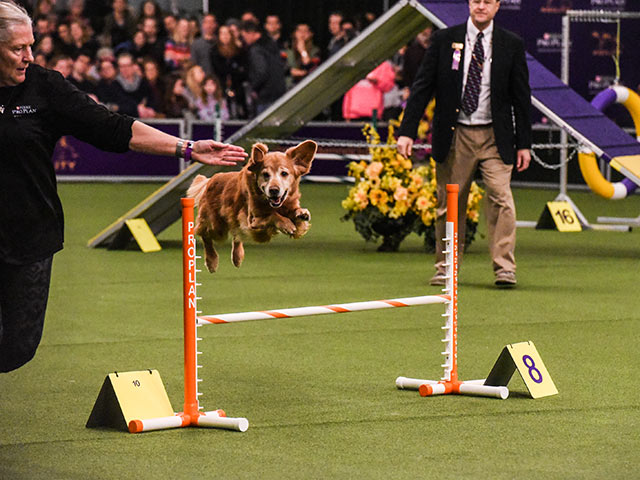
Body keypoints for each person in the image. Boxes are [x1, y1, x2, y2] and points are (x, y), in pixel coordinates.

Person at [0, 1, 247, 373]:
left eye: (31, 45)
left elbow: (112, 126)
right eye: (18, 48)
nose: (28, 56)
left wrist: (187, 147)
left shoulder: (44, 86)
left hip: (29, 234)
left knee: (17, 347)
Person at [396, 0, 531, 288]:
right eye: (476, 1)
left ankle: (504, 268)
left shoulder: (511, 44)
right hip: (456, 135)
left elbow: (521, 97)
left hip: (496, 137)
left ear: (497, 6)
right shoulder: (445, 39)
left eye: (488, 1)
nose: (481, 6)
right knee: (450, 203)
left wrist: (525, 144)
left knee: (501, 198)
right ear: (469, 4)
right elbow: (422, 86)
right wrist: (407, 131)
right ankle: (446, 266)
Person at [239, 20, 286, 116]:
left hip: (265, 96)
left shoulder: (256, 49)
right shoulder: (272, 44)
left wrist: (254, 88)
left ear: (251, 33)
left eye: (244, 37)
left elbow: (261, 72)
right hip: (279, 94)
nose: (244, 40)